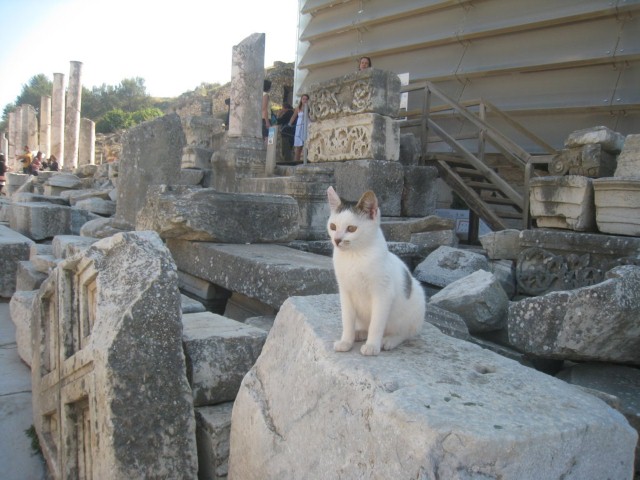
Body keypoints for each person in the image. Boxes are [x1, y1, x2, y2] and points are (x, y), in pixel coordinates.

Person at [288, 94, 310, 163]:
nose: (305, 100)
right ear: (301, 100)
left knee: (307, 144)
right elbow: (294, 116)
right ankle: (296, 162)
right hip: (299, 126)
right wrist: (289, 124)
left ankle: (307, 160)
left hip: (307, 125)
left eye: (306, 99)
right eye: (303, 99)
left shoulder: (310, 108)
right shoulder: (298, 108)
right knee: (298, 146)